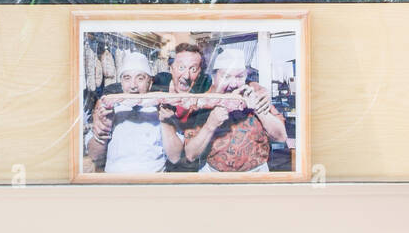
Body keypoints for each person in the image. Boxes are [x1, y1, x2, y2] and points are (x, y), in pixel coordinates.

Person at [183, 49, 287, 175]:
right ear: (213, 77)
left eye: (239, 77)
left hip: (258, 174)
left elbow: (281, 137)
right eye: (226, 76)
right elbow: (190, 154)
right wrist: (210, 125)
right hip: (215, 175)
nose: (233, 84)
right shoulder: (200, 104)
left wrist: (257, 109)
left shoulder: (255, 95)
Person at [86, 52, 184, 175]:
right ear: (121, 82)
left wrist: (166, 124)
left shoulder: (165, 110)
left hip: (152, 184)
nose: (133, 86)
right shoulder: (109, 110)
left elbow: (175, 158)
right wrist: (103, 130)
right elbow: (94, 156)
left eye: (140, 78)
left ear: (150, 82)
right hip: (115, 183)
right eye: (127, 78)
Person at [152, 43, 212, 173]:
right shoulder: (158, 83)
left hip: (188, 168)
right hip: (157, 167)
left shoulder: (204, 89)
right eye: (181, 67)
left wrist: (255, 86)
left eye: (193, 69)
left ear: (200, 73)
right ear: (171, 68)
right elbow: (123, 87)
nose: (186, 75)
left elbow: (228, 81)